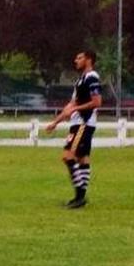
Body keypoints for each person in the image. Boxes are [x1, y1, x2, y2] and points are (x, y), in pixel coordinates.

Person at [44, 49, 101, 209]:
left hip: (83, 122)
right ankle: (80, 198)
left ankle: (79, 197)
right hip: (79, 123)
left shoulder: (92, 78)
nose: (76, 60)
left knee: (68, 156)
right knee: (82, 158)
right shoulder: (81, 80)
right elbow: (71, 105)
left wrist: (76, 109)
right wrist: (55, 122)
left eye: (79, 57)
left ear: (88, 60)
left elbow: (97, 102)